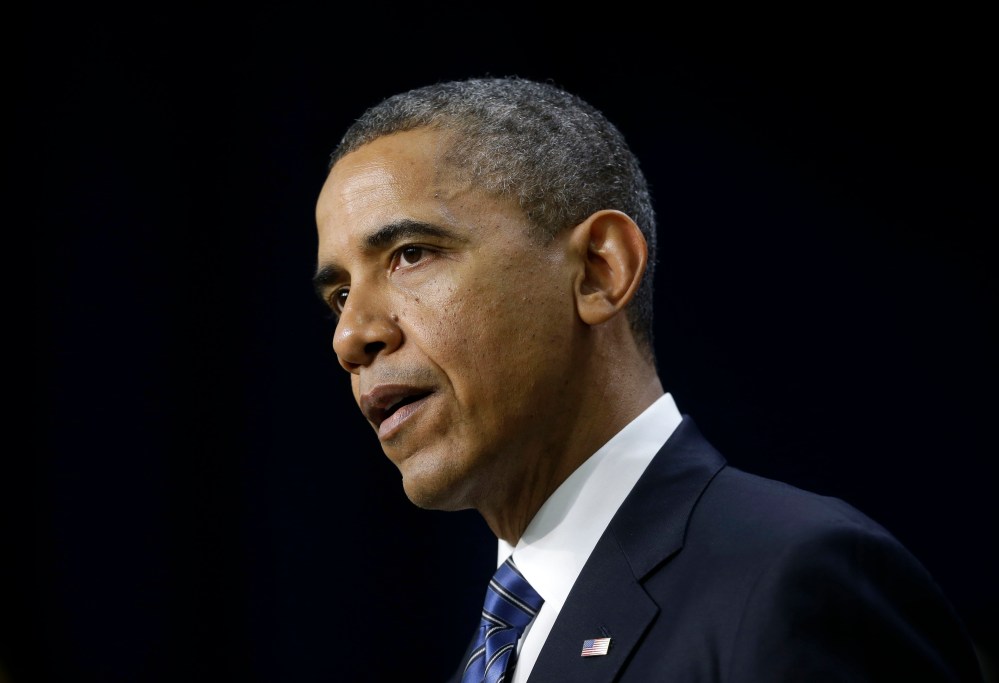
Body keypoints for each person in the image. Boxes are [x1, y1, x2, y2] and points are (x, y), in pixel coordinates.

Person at [312, 76, 984, 682]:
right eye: (339, 294)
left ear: (599, 271)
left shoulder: (794, 580)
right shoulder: (497, 648)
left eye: (410, 255)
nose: (351, 336)